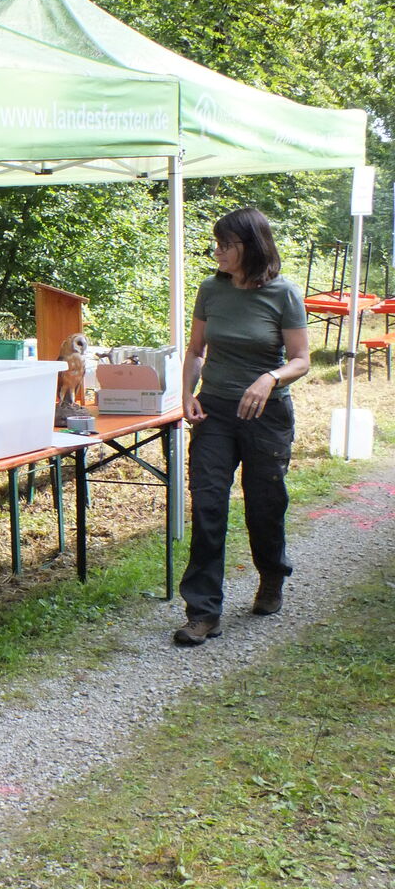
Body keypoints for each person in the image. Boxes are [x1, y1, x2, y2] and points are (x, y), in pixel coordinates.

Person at [174, 207, 310, 646]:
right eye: (217, 243)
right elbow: (196, 350)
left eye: (225, 244)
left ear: (251, 246)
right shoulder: (211, 289)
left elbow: (301, 361)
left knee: (264, 504)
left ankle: (271, 575)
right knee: (209, 505)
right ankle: (203, 612)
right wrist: (187, 393)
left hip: (266, 416)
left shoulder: (283, 294)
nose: (217, 251)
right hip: (213, 412)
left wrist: (270, 378)